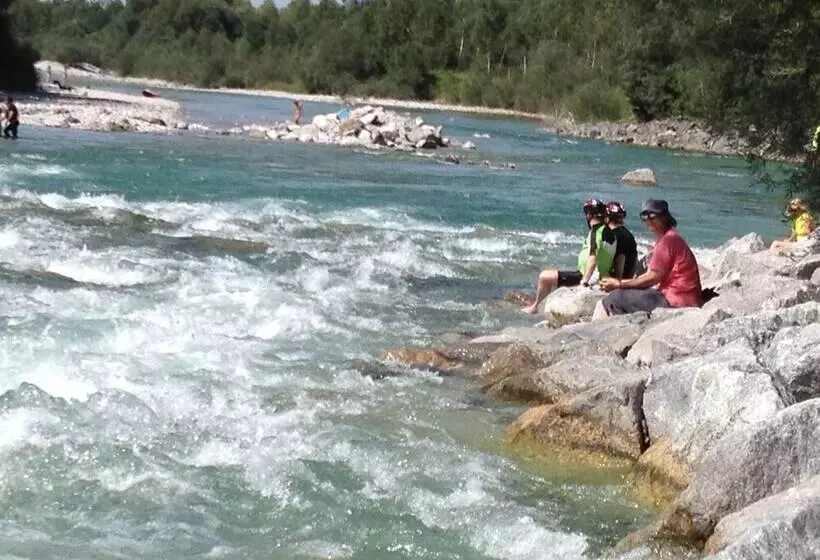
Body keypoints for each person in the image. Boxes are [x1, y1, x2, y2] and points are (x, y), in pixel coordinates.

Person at [594, 199, 702, 318]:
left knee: (615, 298)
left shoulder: (667, 242)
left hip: (676, 301)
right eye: (644, 217)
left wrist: (618, 284)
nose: (648, 221)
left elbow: (651, 279)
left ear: (664, 217)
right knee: (625, 294)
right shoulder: (670, 237)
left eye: (652, 216)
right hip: (681, 296)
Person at [522, 199, 617, 314]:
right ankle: (544, 302)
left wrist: (584, 281)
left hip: (587, 277)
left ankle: (536, 307)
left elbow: (593, 257)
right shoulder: (609, 232)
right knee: (554, 274)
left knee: (544, 277)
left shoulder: (596, 232)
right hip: (601, 277)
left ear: (589, 215)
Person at [605, 201, 638, 279]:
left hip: (619, 279)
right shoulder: (628, 234)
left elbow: (621, 258)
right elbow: (634, 258)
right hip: (628, 276)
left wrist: (617, 282)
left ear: (607, 218)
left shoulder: (614, 236)